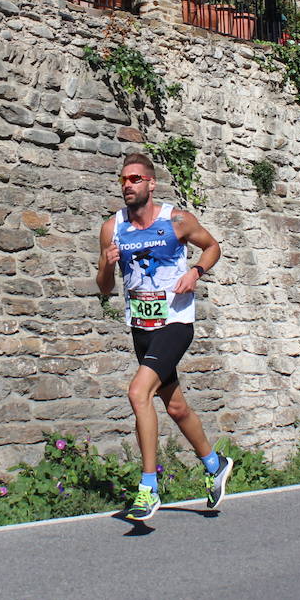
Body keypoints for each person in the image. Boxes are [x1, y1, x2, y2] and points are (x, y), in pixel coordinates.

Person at [95, 152, 231, 522]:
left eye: (136, 179)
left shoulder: (176, 220)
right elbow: (104, 288)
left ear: (151, 184)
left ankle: (148, 488)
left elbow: (213, 246)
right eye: (124, 179)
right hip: (142, 327)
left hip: (175, 323)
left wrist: (196, 272)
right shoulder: (112, 228)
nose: (128, 185)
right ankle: (214, 463)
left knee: (139, 392)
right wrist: (108, 265)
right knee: (175, 407)